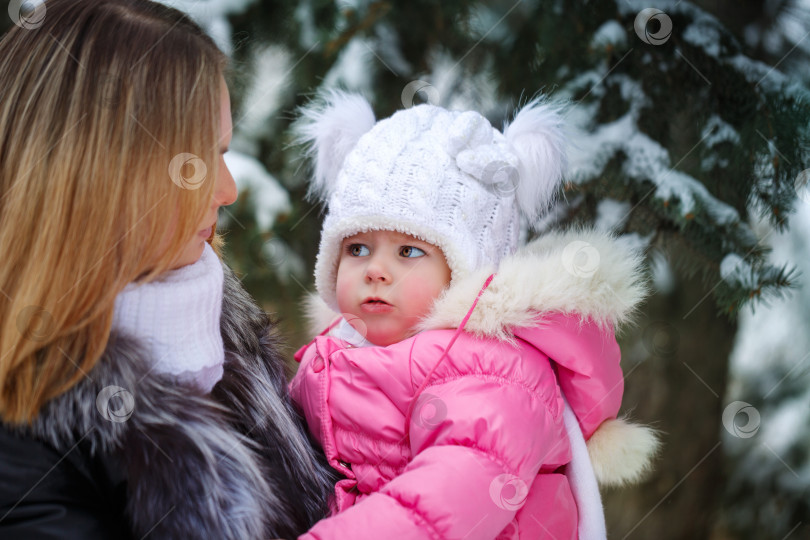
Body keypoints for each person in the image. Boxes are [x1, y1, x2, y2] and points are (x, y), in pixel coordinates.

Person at [0, 1, 335, 538]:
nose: (227, 190)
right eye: (198, 161)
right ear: (98, 175)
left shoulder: (221, 333)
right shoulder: (23, 439)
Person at [289, 92, 662, 539]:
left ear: (465, 273)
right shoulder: (336, 355)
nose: (375, 270)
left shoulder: (491, 371)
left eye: (408, 250)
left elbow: (442, 503)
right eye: (357, 248)